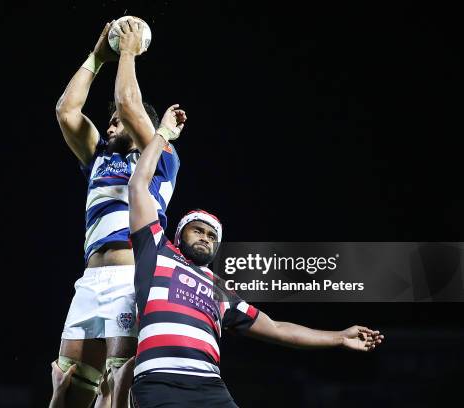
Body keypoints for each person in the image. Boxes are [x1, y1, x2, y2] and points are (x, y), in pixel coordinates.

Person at [126, 115, 385, 407]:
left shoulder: (219, 289)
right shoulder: (157, 251)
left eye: (212, 236)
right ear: (179, 234)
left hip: (210, 387)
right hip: (159, 382)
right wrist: (162, 134)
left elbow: (276, 329)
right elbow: (138, 186)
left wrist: (339, 337)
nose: (205, 238)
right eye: (197, 230)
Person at [54, 19, 182, 407]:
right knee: (72, 384)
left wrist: (127, 51)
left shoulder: (161, 158)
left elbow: (129, 105)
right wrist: (97, 57)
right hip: (89, 282)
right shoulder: (98, 158)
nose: (111, 124)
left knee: (120, 387)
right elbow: (66, 110)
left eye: (117, 122)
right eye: (108, 122)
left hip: (130, 278)